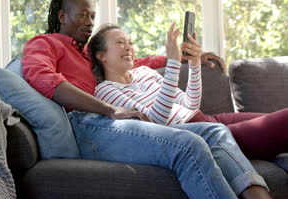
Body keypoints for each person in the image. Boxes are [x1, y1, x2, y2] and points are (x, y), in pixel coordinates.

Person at [22, 0, 284, 199]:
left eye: (92, 16)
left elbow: (136, 64)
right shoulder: (44, 43)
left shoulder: (87, 55)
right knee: (189, 143)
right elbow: (43, 78)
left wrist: (181, 58)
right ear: (62, 16)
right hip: (88, 120)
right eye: (83, 15)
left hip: (105, 116)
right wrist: (110, 109)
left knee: (214, 131)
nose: (90, 22)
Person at [89, 23, 288, 161]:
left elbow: (190, 104)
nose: (129, 47)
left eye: (130, 42)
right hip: (201, 134)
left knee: (276, 119)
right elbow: (156, 121)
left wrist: (193, 64)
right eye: (120, 42)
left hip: (210, 119)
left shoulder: (144, 72)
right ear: (101, 55)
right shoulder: (106, 91)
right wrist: (174, 63)